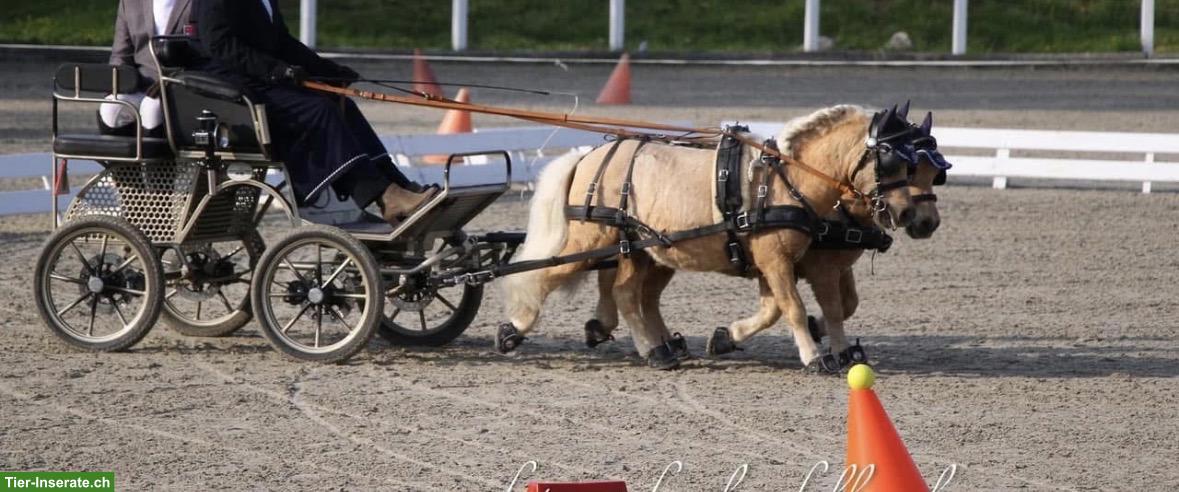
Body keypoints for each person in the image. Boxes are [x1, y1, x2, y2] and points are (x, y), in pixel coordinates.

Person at [195, 0, 435, 226]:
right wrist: (277, 70)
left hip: (260, 79)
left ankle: (396, 183)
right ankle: (382, 195)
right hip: (236, 86)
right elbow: (219, 43)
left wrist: (328, 71)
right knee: (319, 109)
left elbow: (281, 42)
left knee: (342, 104)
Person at [102, 0, 194, 136]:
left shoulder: (200, 3)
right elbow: (121, 55)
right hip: (142, 85)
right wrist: (114, 87)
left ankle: (159, 154)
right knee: (111, 109)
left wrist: (169, 84)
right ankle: (120, 156)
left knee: (152, 109)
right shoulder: (129, 3)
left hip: (182, 85)